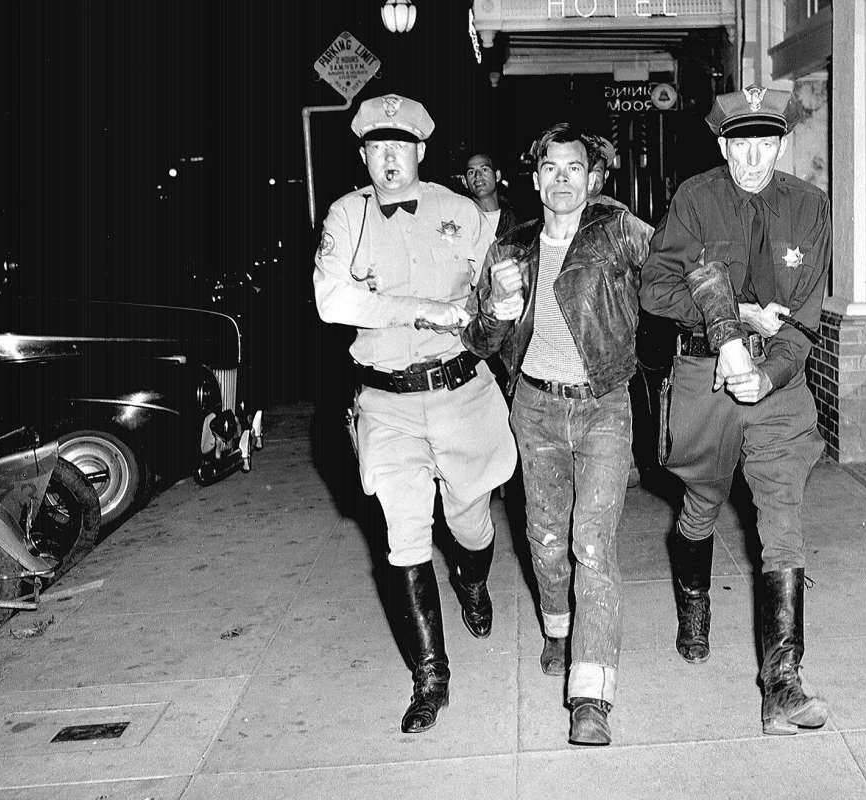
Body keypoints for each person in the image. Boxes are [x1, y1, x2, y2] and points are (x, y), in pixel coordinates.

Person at [312, 93, 517, 734]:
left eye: (401, 147)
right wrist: (419, 309)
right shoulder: (346, 215)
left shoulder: (462, 214)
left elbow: (503, 294)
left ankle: (473, 580)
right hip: (385, 403)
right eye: (377, 148)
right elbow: (331, 299)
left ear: (422, 152)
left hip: (462, 396)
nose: (389, 160)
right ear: (364, 154)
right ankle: (431, 677)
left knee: (471, 521)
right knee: (403, 539)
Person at [639, 85, 831, 736]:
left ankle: (783, 682)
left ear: (782, 143)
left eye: (766, 142)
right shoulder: (696, 198)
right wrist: (731, 317)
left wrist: (770, 372)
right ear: (722, 144)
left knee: (782, 518)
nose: (753, 156)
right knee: (700, 504)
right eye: (740, 143)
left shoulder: (809, 207)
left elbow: (804, 318)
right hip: (703, 376)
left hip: (778, 387)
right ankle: (694, 604)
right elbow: (656, 287)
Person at [463, 122, 653, 746]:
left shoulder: (619, 230)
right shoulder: (511, 247)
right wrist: (495, 304)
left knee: (592, 544)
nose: (563, 178)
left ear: (594, 178)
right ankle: (557, 628)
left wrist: (730, 324)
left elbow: (679, 268)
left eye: (575, 167)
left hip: (604, 406)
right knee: (545, 542)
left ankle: (591, 695)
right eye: (551, 167)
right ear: (535, 176)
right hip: (536, 409)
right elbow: (482, 341)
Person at [463, 151, 519, 240]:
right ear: (465, 182)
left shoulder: (517, 218)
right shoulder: (461, 219)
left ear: (497, 175)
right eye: (471, 172)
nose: (477, 176)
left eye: (484, 169)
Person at [585, 134, 629, 211]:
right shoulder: (560, 207)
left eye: (597, 171)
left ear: (605, 176)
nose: (590, 176)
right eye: (586, 170)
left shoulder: (618, 211)